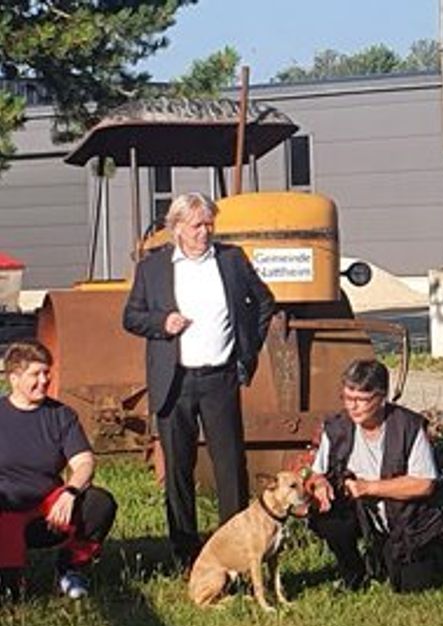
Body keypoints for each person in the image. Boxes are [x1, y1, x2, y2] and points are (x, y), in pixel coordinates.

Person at [122, 192, 275, 569]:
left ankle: (236, 548)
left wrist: (247, 349)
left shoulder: (231, 260)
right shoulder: (153, 268)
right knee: (178, 468)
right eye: (196, 226)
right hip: (174, 381)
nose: (204, 232)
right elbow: (131, 317)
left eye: (209, 224)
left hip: (220, 377)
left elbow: (265, 303)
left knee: (230, 467)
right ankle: (186, 553)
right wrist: (162, 323)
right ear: (176, 229)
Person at [307, 359, 443, 593]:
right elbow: (316, 474)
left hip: (406, 521)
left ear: (381, 397)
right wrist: (320, 485)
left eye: (361, 400)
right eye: (347, 398)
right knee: (328, 517)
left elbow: (424, 484)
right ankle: (353, 573)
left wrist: (368, 488)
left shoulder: (408, 426)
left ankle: (389, 558)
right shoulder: (336, 427)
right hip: (362, 515)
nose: (353, 407)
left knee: (410, 587)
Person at [0, 340, 117, 600]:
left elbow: (84, 461)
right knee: (12, 595)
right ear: (14, 378)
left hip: (49, 513)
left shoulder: (61, 415)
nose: (44, 380)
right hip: (6, 509)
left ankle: (71, 568)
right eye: (35, 374)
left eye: (47, 373)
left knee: (100, 503)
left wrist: (71, 491)